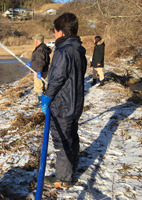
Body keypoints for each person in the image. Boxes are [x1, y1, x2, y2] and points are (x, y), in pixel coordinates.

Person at [40, 12, 87, 187]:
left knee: (61, 141)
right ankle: (71, 168)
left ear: (60, 32)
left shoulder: (63, 50)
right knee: (72, 137)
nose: (54, 35)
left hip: (63, 105)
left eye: (54, 32)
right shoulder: (78, 49)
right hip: (75, 103)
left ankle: (63, 178)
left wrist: (46, 97)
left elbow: (58, 78)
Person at [26, 34, 51, 107]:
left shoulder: (40, 49)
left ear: (37, 41)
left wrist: (39, 71)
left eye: (34, 40)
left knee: (38, 87)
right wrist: (31, 63)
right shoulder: (42, 47)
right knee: (41, 86)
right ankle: (43, 102)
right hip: (42, 70)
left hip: (39, 71)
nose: (34, 41)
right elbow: (38, 60)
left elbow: (41, 61)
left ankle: (41, 103)